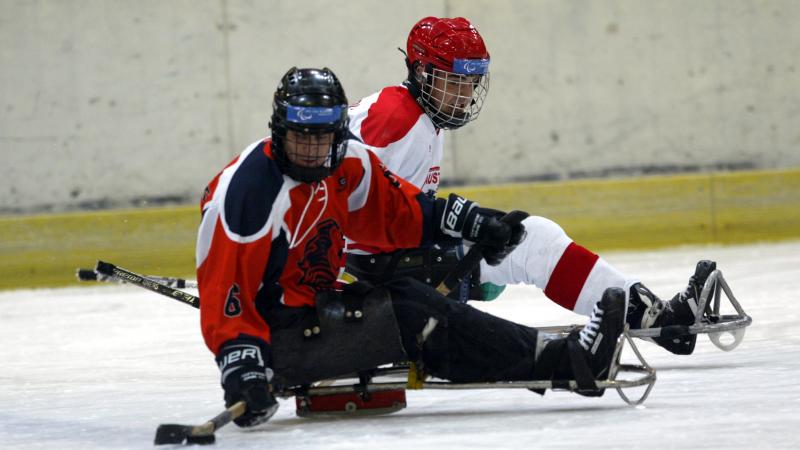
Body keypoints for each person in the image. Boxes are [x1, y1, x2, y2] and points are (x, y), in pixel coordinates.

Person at [196, 67, 628, 428]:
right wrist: (244, 368)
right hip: (279, 338)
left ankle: (557, 358)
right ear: (279, 129)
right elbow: (227, 294)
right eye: (301, 137)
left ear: (337, 131)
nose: (312, 150)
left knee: (406, 296)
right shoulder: (248, 193)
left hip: (317, 304)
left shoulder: (348, 161)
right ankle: (569, 364)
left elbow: (400, 215)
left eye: (322, 137)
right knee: (410, 314)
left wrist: (477, 223)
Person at [344, 16, 715, 356]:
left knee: (526, 239)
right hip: (373, 272)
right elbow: (350, 209)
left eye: (471, 82)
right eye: (455, 81)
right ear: (422, 72)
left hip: (381, 259)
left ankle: (653, 316)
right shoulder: (397, 121)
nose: (465, 95)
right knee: (532, 242)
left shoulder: (411, 113)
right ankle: (659, 322)